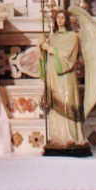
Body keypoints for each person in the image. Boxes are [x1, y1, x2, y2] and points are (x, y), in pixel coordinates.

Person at [38, 11, 86, 151]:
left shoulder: (72, 36)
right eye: (57, 17)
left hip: (65, 75)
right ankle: (57, 137)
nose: (59, 20)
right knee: (54, 105)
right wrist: (41, 46)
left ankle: (71, 137)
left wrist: (49, 48)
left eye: (62, 17)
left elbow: (68, 56)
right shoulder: (52, 37)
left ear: (67, 20)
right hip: (53, 74)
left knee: (66, 102)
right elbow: (45, 57)